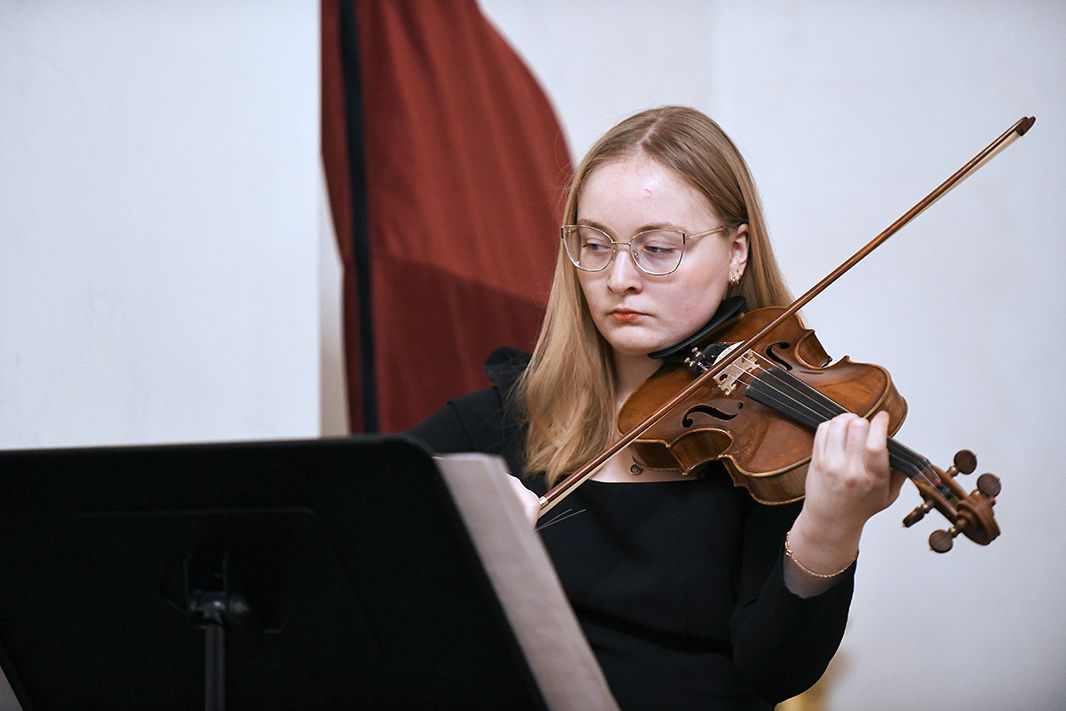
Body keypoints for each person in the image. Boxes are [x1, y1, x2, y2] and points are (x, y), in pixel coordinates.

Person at [409, 106, 904, 710]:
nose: (619, 277)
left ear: (737, 252)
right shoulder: (506, 417)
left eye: (659, 248)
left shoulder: (773, 441)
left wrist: (830, 530)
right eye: (595, 245)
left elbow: (774, 671)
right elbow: (352, 524)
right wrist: (453, 543)